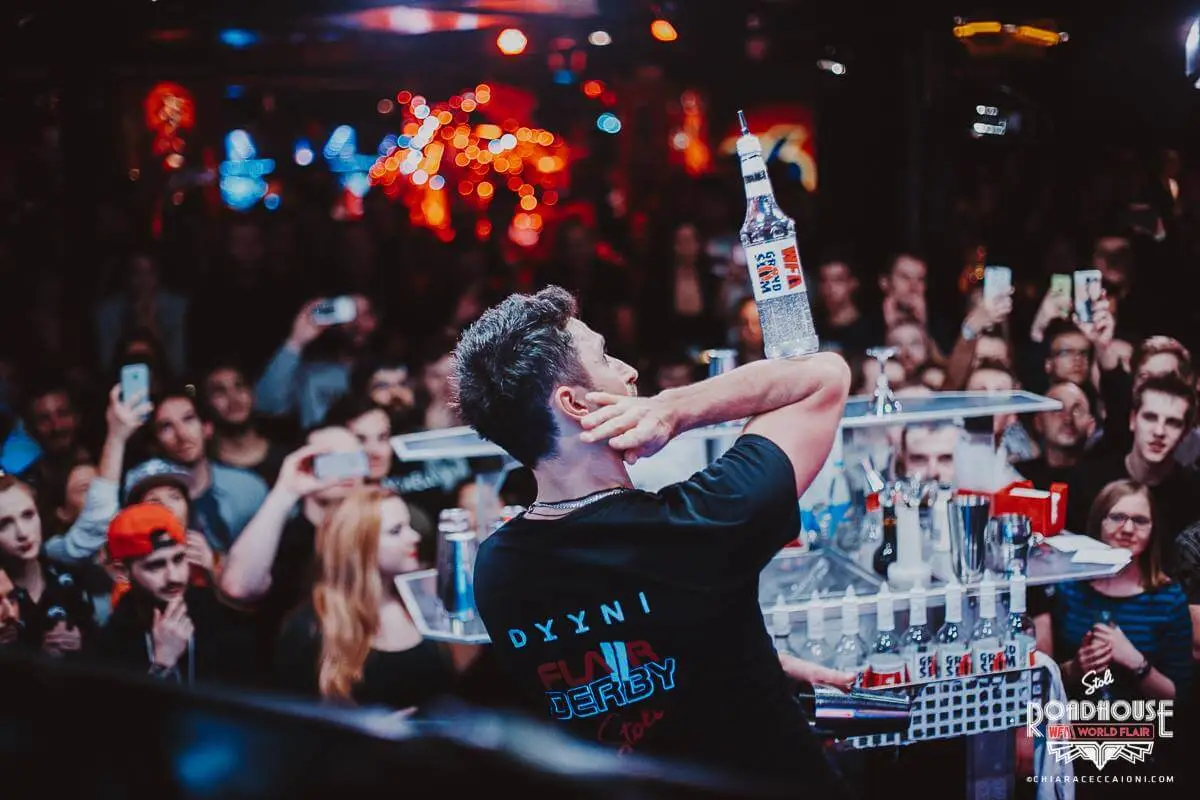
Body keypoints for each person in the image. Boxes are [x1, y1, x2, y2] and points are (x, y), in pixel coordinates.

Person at [454, 286, 853, 790]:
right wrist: (673, 409)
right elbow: (825, 377)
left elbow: (619, 662)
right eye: (605, 358)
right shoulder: (697, 526)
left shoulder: (496, 568)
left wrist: (751, 662)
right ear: (575, 403)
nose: (629, 372)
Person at [274, 486, 463, 710]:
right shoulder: (309, 629)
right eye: (396, 531)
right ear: (359, 546)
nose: (414, 536)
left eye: (409, 526)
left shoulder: (420, 600)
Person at [94, 503, 260, 687]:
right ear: (122, 572)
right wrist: (163, 663)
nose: (173, 576)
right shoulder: (113, 640)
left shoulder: (217, 615)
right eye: (155, 565)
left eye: (179, 559)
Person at [0, 474, 93, 658]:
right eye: (4, 524)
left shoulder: (69, 577)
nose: (22, 532)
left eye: (28, 515)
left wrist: (81, 642)